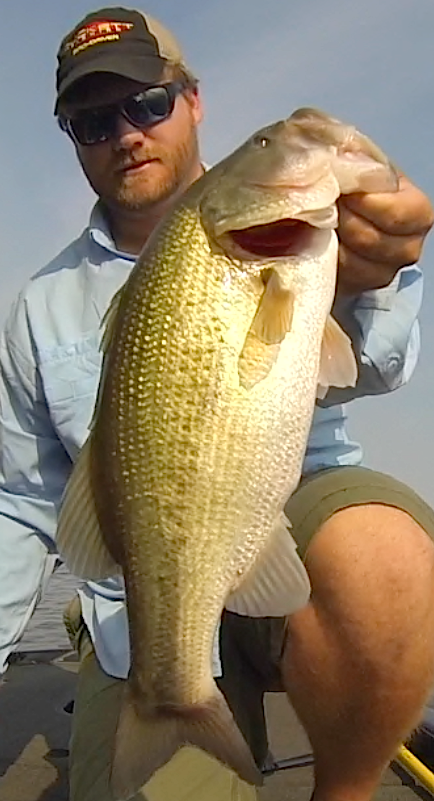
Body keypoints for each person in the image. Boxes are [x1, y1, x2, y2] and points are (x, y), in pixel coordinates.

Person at [1, 7, 434, 801]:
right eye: (93, 121)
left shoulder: (306, 236)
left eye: (147, 104)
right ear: (72, 138)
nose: (126, 134)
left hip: (296, 532)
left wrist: (380, 267)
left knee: (387, 558)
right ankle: (174, 702)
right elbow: (22, 505)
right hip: (145, 609)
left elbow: (374, 362)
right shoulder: (40, 307)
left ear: (192, 100)